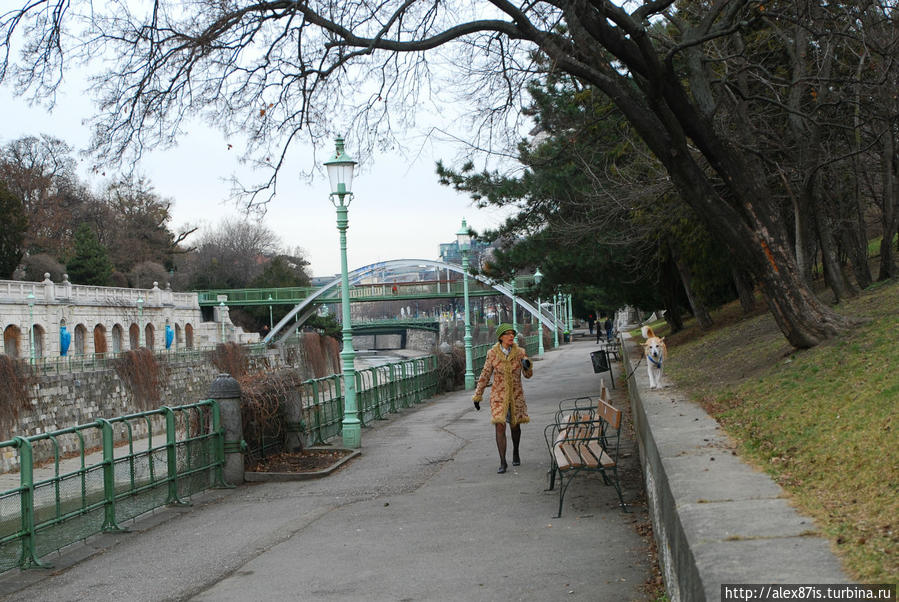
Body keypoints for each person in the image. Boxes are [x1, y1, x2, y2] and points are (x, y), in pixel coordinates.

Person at [471, 323, 534, 473]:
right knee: (500, 425)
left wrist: (527, 366)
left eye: (513, 333)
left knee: (515, 426)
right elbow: (485, 374)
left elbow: (528, 376)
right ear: (501, 337)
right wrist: (478, 395)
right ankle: (503, 461)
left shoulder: (520, 352)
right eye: (508, 334)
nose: (512, 336)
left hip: (516, 395)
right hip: (498, 396)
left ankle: (516, 452)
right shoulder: (492, 353)